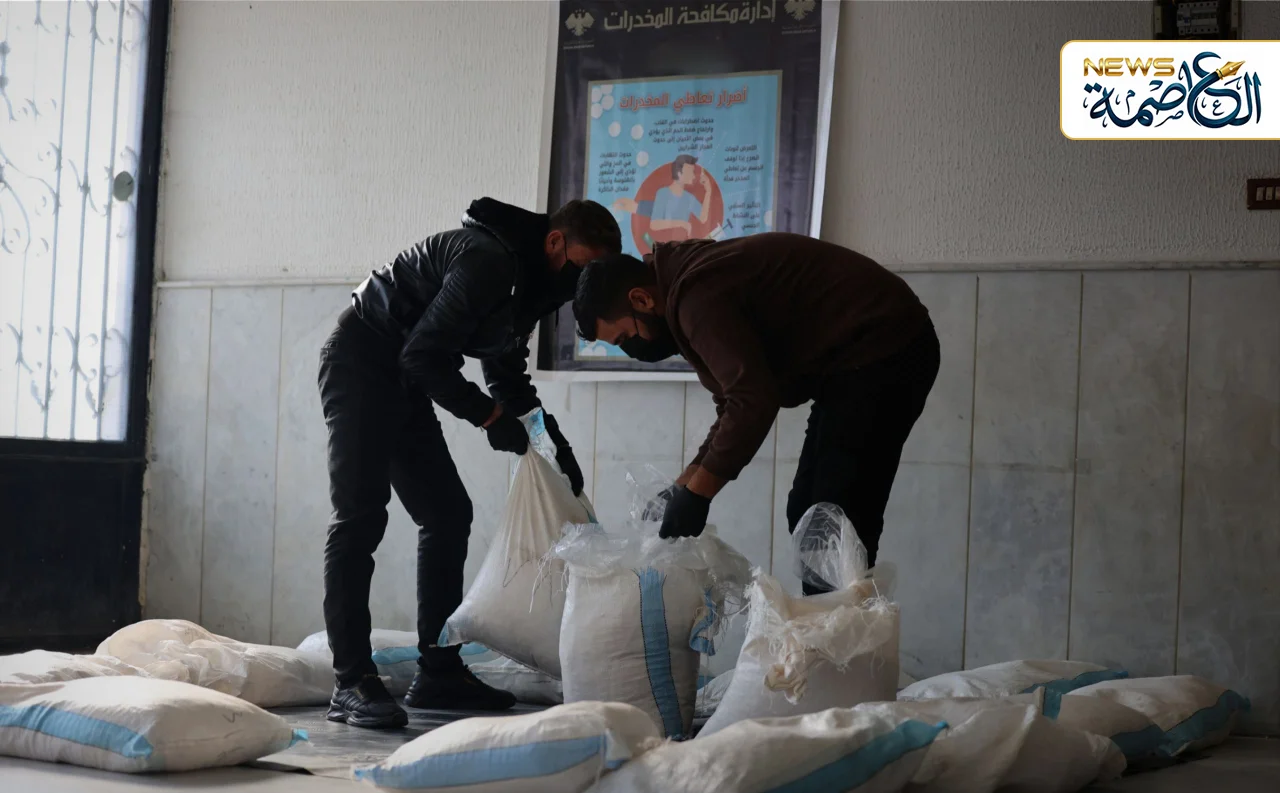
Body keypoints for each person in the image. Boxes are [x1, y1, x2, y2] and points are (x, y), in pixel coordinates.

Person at [319, 197, 621, 729]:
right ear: (555, 242)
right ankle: (351, 681)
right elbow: (423, 355)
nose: (583, 284)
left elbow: (505, 374)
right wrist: (487, 417)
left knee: (447, 513)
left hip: (404, 376)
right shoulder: (488, 261)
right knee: (361, 517)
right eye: (582, 268)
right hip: (360, 360)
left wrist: (548, 437)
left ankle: (438, 671)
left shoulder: (532, 284)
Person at [573, 232, 938, 589]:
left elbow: (752, 400)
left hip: (885, 347)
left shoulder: (694, 298)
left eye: (625, 337)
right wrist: (683, 486)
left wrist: (699, 495)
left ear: (640, 299)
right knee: (807, 512)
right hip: (854, 364)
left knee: (835, 518)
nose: (632, 348)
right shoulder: (682, 287)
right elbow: (731, 403)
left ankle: (843, 626)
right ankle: (830, 620)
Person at [612, 154, 712, 240]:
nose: (694, 176)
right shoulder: (663, 193)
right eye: (691, 172)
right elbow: (654, 224)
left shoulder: (689, 198)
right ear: (679, 174)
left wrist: (708, 191)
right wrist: (683, 224)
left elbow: (703, 218)